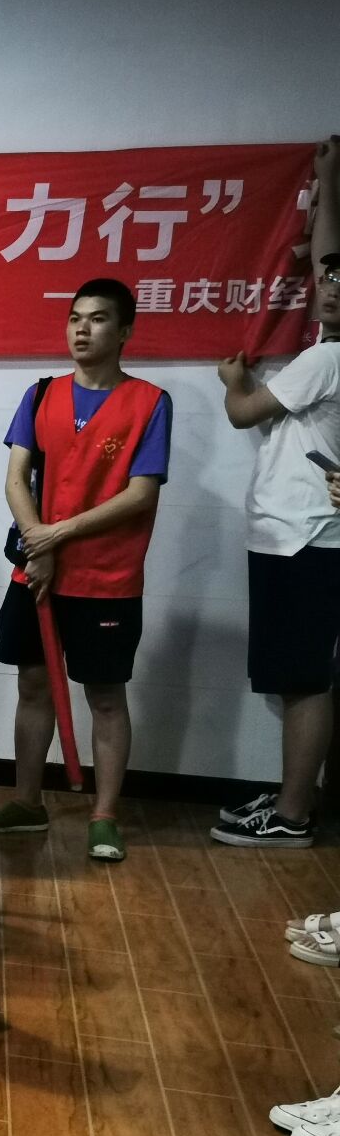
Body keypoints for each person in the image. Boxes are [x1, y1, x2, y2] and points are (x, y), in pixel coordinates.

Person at [0, 279, 171, 863]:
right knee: (32, 686)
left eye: (98, 319)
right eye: (75, 317)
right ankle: (26, 803)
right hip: (35, 572)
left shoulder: (149, 402)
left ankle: (104, 816)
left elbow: (140, 494)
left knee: (105, 696)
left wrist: (56, 536)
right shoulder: (41, 394)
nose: (82, 329)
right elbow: (16, 478)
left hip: (106, 578)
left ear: (125, 331)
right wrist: (37, 540)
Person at [211, 143, 340, 847]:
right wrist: (327, 183)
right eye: (330, 283)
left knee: (304, 679)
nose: (330, 290)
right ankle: (294, 800)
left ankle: (292, 815)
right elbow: (326, 265)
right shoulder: (328, 350)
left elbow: (243, 412)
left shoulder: (327, 358)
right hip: (299, 534)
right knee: (301, 675)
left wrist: (237, 381)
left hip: (305, 535)